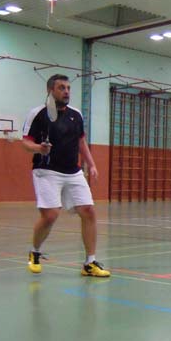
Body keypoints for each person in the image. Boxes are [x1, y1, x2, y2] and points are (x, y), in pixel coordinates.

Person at [21, 73, 110, 277]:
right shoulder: (38, 113)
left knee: (88, 211)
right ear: (50, 90)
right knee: (50, 215)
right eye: (61, 87)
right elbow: (25, 142)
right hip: (46, 171)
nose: (67, 91)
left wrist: (91, 164)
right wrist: (39, 148)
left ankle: (89, 263)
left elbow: (81, 142)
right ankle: (34, 251)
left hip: (73, 170)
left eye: (68, 88)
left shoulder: (76, 115)